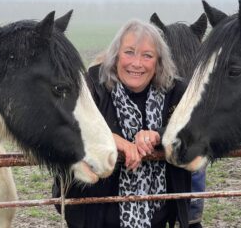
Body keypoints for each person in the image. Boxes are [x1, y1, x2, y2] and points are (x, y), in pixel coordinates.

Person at [53, 19, 191, 228]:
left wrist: (158, 135)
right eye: (129, 52)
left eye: (147, 55)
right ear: (115, 55)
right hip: (95, 216)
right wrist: (114, 141)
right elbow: (66, 124)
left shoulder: (176, 90)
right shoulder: (92, 84)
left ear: (158, 61)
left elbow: (195, 127)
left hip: (158, 218)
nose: (137, 63)